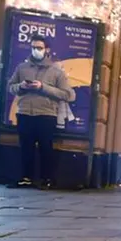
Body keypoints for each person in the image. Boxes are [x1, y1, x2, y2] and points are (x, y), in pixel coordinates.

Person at [7, 34, 74, 189]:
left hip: (46, 115)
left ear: (46, 50)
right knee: (26, 148)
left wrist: (42, 87)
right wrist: (22, 86)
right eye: (33, 47)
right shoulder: (22, 68)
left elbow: (68, 95)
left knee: (46, 148)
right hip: (24, 113)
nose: (36, 50)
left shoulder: (56, 71)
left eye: (39, 48)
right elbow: (10, 87)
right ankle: (26, 178)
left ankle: (47, 179)